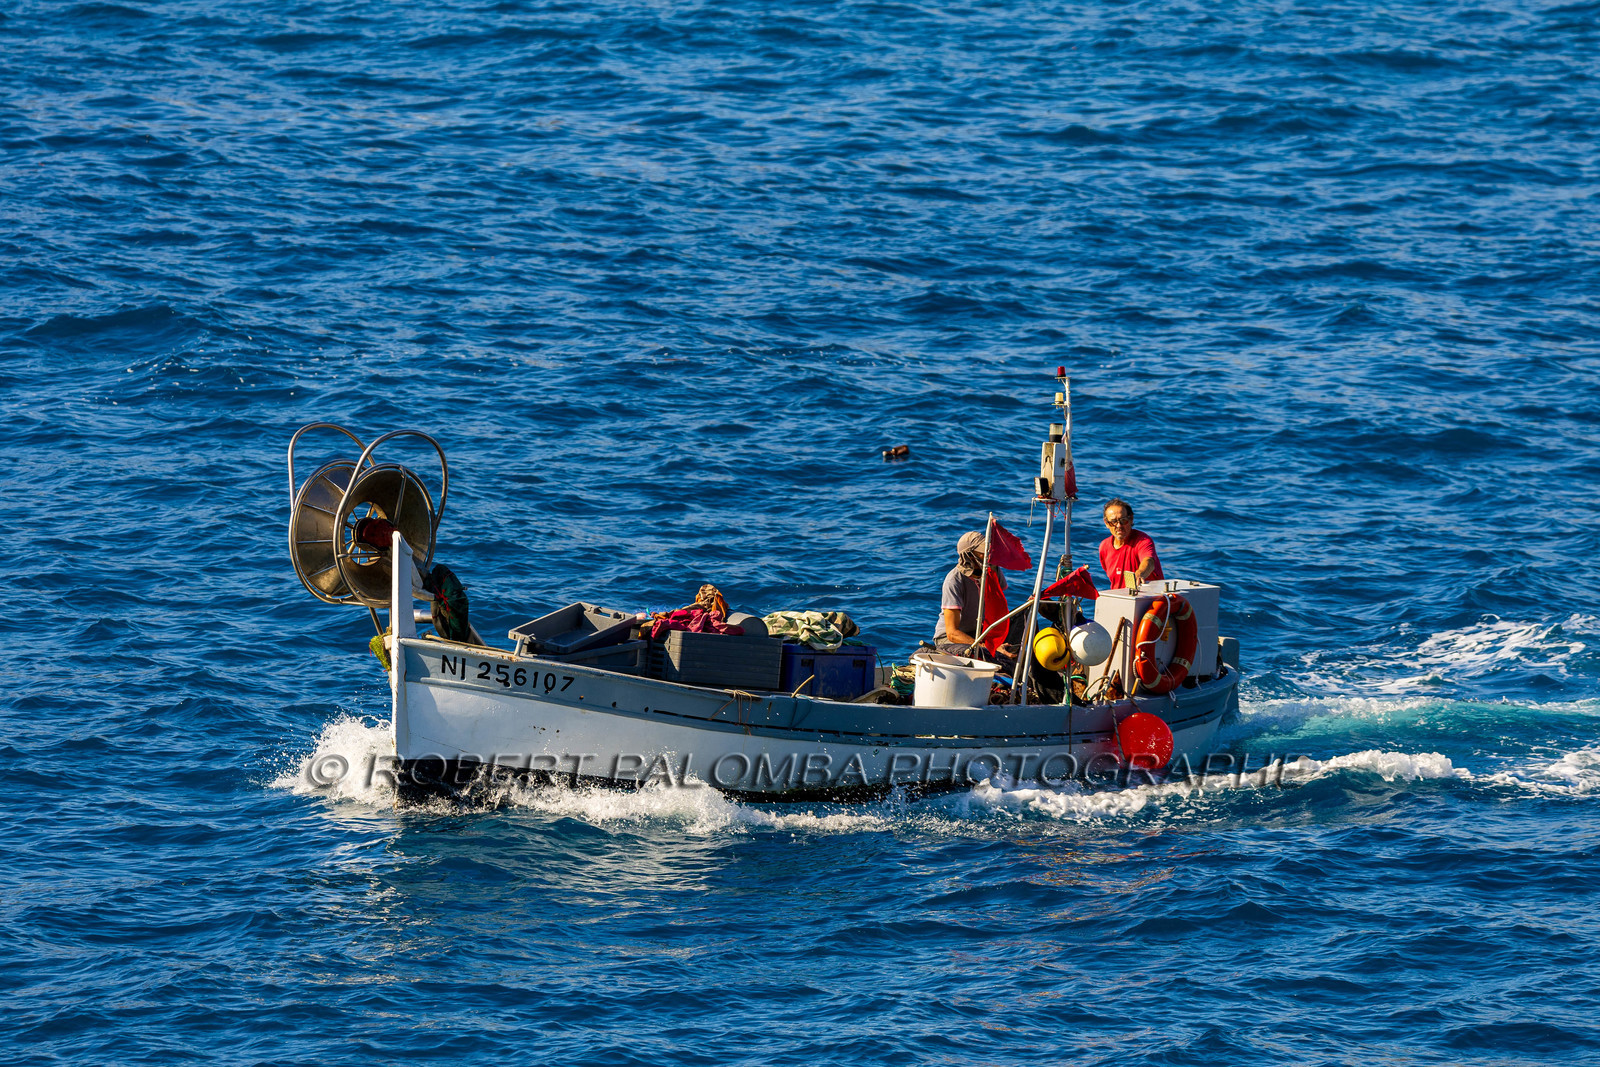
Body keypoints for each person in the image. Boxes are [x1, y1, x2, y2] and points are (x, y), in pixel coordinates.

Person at [933, 530, 1009, 656]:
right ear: (969, 555)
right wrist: (986, 647)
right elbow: (952, 633)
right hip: (949, 639)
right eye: (983, 552)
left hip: (979, 632)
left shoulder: (993, 570)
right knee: (984, 656)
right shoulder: (954, 580)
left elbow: (998, 606)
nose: (988, 554)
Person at [1098, 497, 1163, 590]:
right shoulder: (1104, 547)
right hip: (1120, 598)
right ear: (1107, 523)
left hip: (1147, 598)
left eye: (1123, 520)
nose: (1119, 526)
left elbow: (1149, 562)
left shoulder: (1143, 541)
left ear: (1131, 519)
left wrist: (1140, 573)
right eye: (1113, 522)